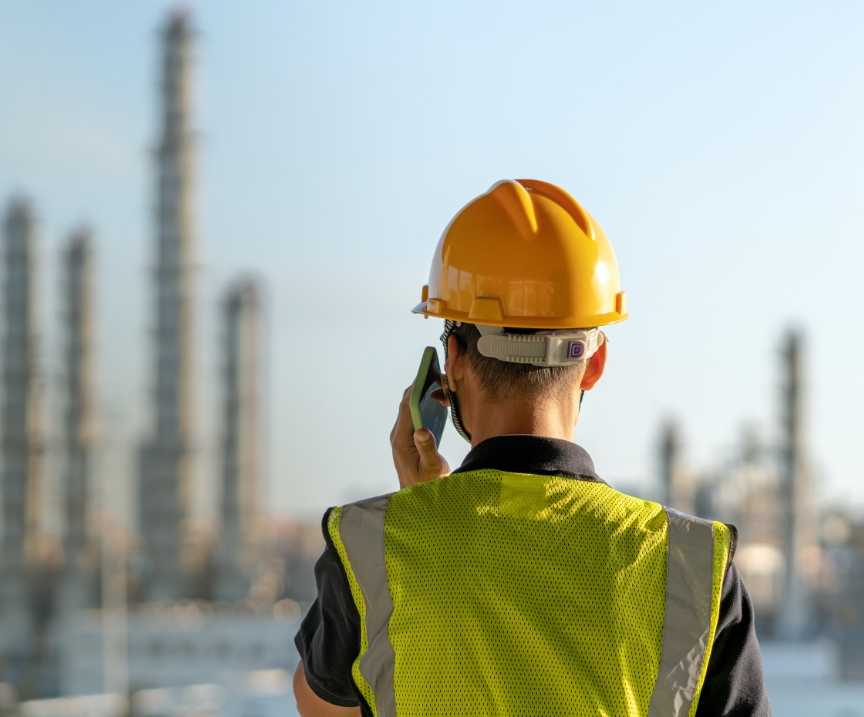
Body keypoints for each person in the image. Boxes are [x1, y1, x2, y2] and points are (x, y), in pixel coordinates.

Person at [292, 179, 770, 717]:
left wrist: (420, 512)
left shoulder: (369, 549)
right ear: (594, 362)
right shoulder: (693, 567)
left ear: (452, 360)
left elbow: (322, 707)